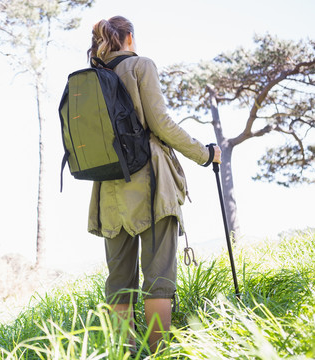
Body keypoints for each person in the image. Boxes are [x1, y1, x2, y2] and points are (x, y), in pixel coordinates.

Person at [86, 16, 222, 353]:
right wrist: (204, 154)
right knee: (159, 276)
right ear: (129, 38)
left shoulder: (89, 78)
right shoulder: (140, 66)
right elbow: (161, 123)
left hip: (108, 189)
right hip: (150, 185)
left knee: (118, 281)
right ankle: (158, 353)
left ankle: (122, 352)